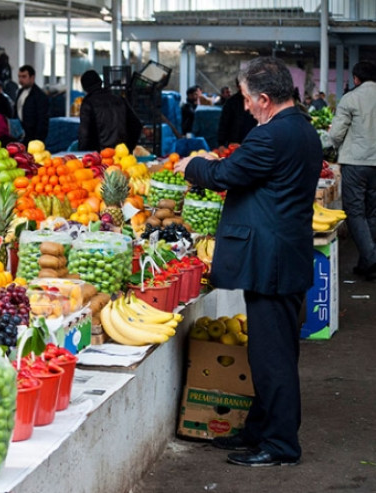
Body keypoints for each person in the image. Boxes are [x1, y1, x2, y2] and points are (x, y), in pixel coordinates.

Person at [174, 56, 322, 467]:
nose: (243, 108)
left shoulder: (271, 136)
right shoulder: (302, 129)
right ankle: (260, 431)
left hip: (271, 260)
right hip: (285, 255)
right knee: (273, 352)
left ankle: (280, 446)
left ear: (263, 98)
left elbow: (226, 175)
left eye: (245, 100)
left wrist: (193, 166)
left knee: (271, 358)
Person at [328, 60, 376, 280]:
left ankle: (371, 258)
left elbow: (336, 135)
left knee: (355, 213)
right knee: (372, 212)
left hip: (356, 164)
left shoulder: (351, 98)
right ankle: (366, 262)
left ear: (356, 78)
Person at [77, 69, 142, 152]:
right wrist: (128, 148)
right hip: (121, 155)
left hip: (100, 158)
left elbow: (84, 134)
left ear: (85, 88)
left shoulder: (88, 103)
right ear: (100, 82)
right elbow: (136, 125)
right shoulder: (119, 99)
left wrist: (82, 154)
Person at [217, 79, 258, 146]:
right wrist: (221, 143)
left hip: (253, 140)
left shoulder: (257, 100)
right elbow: (224, 123)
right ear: (238, 86)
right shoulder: (231, 102)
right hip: (235, 142)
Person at [16, 64, 49, 143]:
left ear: (32, 77)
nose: (20, 80)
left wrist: (38, 140)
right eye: (19, 76)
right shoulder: (20, 92)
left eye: (24, 77)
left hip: (33, 137)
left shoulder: (40, 96)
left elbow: (43, 120)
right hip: (20, 135)